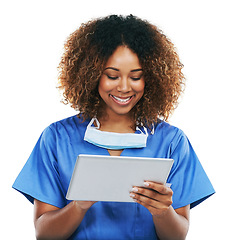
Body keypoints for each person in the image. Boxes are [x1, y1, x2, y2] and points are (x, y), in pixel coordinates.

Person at [13, 15, 215, 240]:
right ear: (90, 74)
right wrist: (79, 205)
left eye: (136, 77)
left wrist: (162, 212)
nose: (124, 87)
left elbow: (177, 236)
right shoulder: (57, 138)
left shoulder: (172, 141)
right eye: (112, 76)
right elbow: (44, 234)